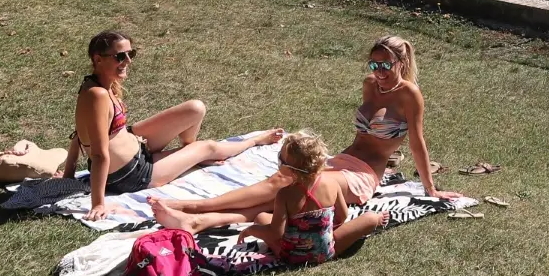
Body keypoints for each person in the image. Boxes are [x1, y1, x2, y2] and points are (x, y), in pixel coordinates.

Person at [153, 35, 461, 223]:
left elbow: (417, 144)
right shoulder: (370, 85)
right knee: (283, 186)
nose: (378, 72)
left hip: (364, 176)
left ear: (401, 63)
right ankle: (196, 219)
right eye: (373, 64)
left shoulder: (409, 94)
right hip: (341, 162)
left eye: (385, 65)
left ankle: (191, 207)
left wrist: (430, 188)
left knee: (287, 186)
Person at [61, 30, 283, 221]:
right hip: (132, 174)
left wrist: (69, 172)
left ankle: (189, 154)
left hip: (136, 146)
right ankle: (252, 141)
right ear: (98, 60)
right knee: (209, 147)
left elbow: (79, 133)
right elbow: (98, 154)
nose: (128, 61)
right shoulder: (97, 95)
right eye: (120, 56)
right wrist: (98, 204)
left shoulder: (96, 84)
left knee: (195, 109)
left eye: (131, 54)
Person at [150, 131, 388, 262]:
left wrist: (253, 230)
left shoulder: (284, 194)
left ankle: (197, 211)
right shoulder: (331, 184)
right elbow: (343, 217)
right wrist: (319, 228)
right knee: (367, 219)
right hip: (326, 250)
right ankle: (378, 220)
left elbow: (276, 233)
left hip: (290, 254)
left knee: (263, 217)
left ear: (288, 169)